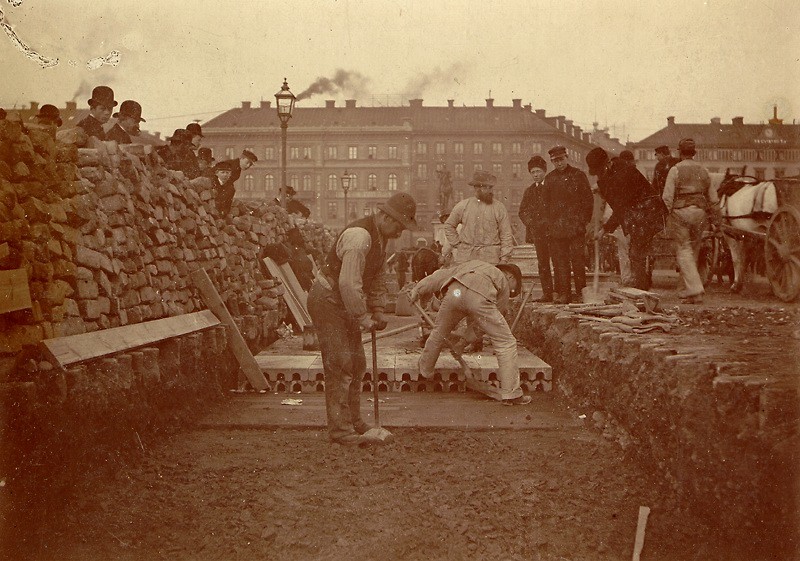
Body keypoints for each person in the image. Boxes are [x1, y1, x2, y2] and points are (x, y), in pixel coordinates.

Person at [307, 192, 418, 445]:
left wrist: (377, 309)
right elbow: (348, 283)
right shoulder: (359, 237)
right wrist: (362, 316)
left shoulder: (381, 238)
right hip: (328, 300)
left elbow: (377, 276)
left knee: (357, 364)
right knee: (340, 364)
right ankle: (340, 430)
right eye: (399, 225)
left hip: (343, 302)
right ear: (384, 217)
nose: (400, 231)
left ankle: (354, 421)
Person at [408, 260, 531, 405]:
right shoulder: (502, 281)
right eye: (513, 290)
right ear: (511, 277)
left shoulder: (474, 264)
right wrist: (464, 341)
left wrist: (417, 290)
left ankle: (425, 371)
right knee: (506, 342)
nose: (510, 292)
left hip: (454, 293)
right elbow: (483, 325)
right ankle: (511, 394)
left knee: (438, 333)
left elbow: (441, 275)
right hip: (479, 299)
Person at [586, 147, 666, 291]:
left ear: (606, 164)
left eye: (599, 171)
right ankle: (640, 288)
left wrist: (604, 229)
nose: (598, 175)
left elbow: (620, 209)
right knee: (637, 253)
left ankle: (640, 291)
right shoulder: (616, 169)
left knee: (636, 253)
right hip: (640, 213)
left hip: (648, 213)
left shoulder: (622, 174)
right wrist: (600, 186)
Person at [662, 138, 719, 303]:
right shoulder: (704, 170)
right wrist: (717, 220)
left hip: (681, 214)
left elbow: (667, 197)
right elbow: (713, 199)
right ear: (693, 153)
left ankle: (695, 289)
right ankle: (686, 291)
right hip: (700, 214)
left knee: (683, 250)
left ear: (680, 152)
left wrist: (665, 217)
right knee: (693, 251)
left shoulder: (675, 170)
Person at [544, 145, 593, 303]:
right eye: (555, 161)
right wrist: (550, 225)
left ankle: (580, 293)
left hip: (575, 228)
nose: (558, 163)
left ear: (567, 157)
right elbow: (545, 205)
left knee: (578, 261)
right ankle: (565, 294)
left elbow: (588, 200)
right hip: (557, 230)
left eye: (561, 159)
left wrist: (583, 222)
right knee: (561, 263)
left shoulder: (578, 175)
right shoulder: (550, 179)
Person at [444, 170, 513, 265]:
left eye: (490, 187)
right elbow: (449, 225)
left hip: (491, 258)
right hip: (466, 257)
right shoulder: (463, 206)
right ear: (476, 188)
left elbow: (506, 234)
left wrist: (504, 259)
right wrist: (458, 244)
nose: (490, 190)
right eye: (485, 187)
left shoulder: (499, 208)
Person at [518, 155, 553, 302]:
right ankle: (548, 293)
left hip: (554, 232)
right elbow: (522, 211)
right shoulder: (529, 191)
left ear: (544, 171)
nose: (536, 175)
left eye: (538, 171)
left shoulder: (552, 188)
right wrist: (531, 223)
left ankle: (560, 292)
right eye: (533, 172)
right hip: (538, 234)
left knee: (558, 263)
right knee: (542, 263)